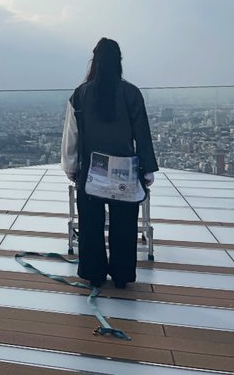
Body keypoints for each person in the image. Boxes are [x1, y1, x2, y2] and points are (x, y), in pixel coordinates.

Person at [61, 38, 158, 289]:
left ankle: (94, 274)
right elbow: (142, 134)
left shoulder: (80, 94)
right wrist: (147, 170)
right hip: (125, 172)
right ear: (119, 62)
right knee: (124, 225)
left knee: (91, 225)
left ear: (95, 62)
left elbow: (71, 136)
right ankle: (122, 275)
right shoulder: (132, 93)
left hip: (91, 172)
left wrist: (71, 168)